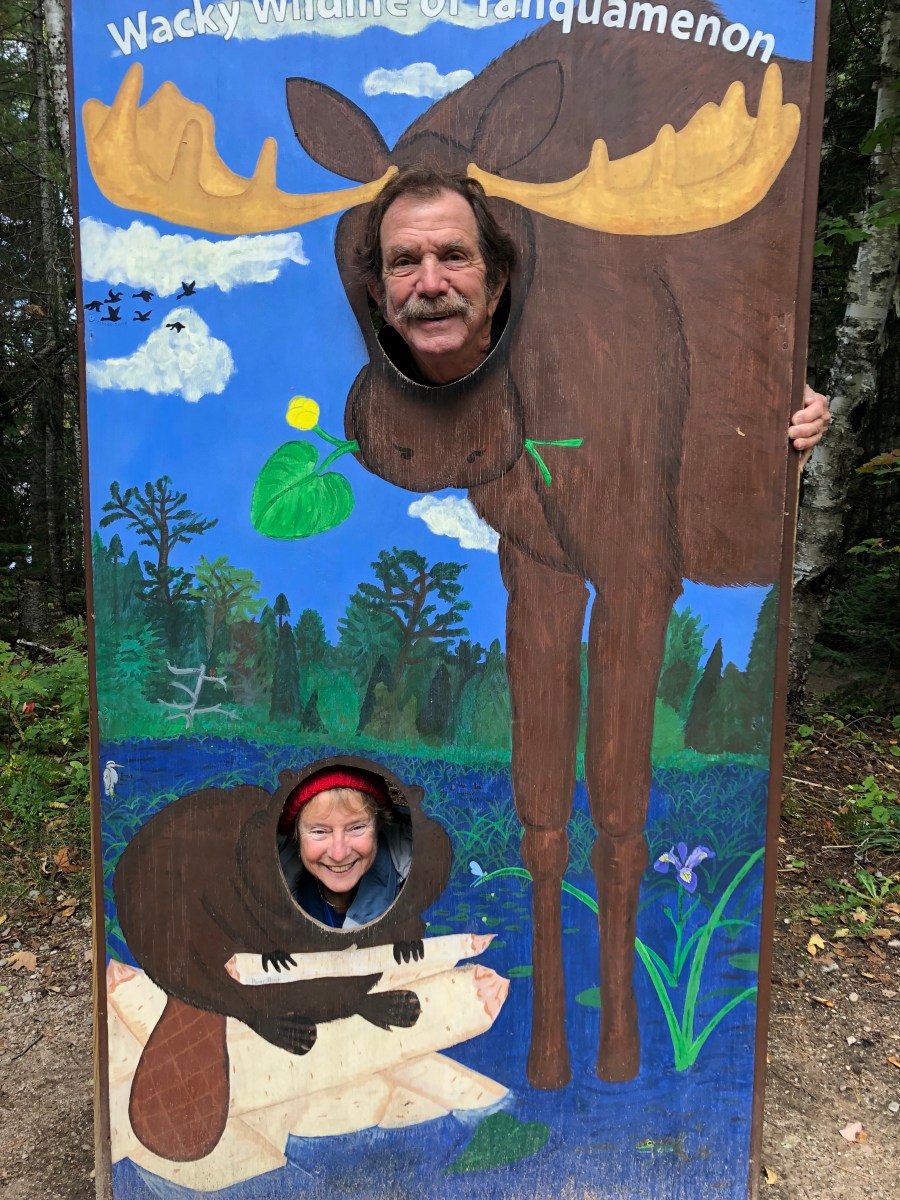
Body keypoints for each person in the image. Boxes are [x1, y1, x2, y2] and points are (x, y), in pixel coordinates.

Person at [358, 166, 831, 457]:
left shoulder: (580, 363)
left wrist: (778, 409)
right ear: (378, 293)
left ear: (497, 283)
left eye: (454, 256)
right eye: (404, 262)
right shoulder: (358, 392)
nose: (431, 284)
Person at [278, 766, 412, 929]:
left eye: (356, 828)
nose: (339, 855)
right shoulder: (266, 889)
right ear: (296, 835)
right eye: (319, 831)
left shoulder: (422, 881)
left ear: (379, 826)